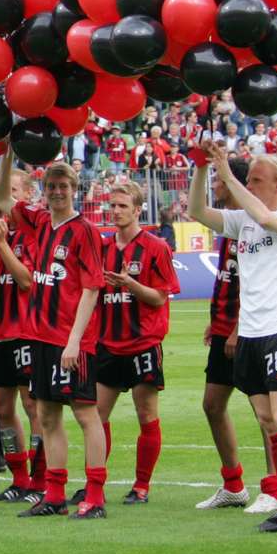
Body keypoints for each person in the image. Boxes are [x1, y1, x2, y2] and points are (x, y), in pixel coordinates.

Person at [190, 142, 277, 532]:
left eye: (256, 180)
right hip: (253, 332)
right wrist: (200, 170)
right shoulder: (243, 223)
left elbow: (263, 214)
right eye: (248, 180)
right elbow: (196, 212)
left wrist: (226, 174)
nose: (250, 185)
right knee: (265, 416)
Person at [0, 156, 108, 520]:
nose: (58, 192)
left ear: (75, 190)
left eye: (64, 186)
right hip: (38, 336)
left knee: (86, 414)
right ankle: (54, 495)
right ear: (45, 192)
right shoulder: (39, 221)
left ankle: (95, 496)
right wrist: (9, 154)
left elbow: (91, 289)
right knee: (47, 414)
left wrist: (74, 340)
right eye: (52, 187)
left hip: (70, 340)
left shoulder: (84, 231)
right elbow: (1, 197)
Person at [191, 159, 277, 513]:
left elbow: (257, 283)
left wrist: (238, 328)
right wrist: (218, 323)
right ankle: (233, 484)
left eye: (219, 180)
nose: (215, 185)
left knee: (265, 411)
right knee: (212, 404)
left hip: (250, 330)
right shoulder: (231, 225)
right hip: (226, 327)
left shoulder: (258, 224)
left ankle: (275, 487)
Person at [93, 180, 179, 506]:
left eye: (122, 206)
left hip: (143, 343)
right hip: (108, 344)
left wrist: (130, 284)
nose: (115, 211)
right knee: (96, 417)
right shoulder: (102, 248)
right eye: (112, 206)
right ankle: (94, 482)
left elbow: (159, 298)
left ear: (138, 210)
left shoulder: (156, 247)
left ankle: (141, 486)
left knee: (146, 415)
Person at [0, 167, 42, 502]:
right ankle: (19, 479)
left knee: (34, 406)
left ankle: (40, 479)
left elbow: (27, 280)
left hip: (26, 331)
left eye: (9, 190)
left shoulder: (33, 234)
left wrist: (2, 244)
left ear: (26, 195)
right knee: (1, 405)